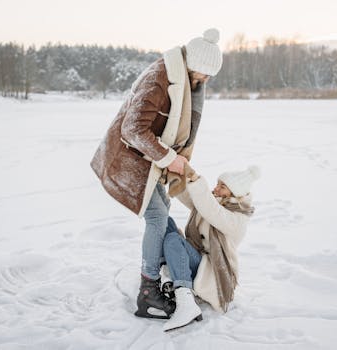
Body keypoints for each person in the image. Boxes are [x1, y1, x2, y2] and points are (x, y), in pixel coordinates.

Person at [90, 28, 223, 319]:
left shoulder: (184, 80)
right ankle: (148, 291)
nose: (206, 81)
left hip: (146, 162)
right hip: (127, 159)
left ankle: (169, 275)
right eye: (204, 74)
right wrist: (169, 158)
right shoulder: (159, 79)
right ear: (193, 64)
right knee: (157, 216)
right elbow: (132, 129)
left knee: (163, 209)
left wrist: (175, 162)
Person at [161, 165, 260, 331]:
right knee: (164, 222)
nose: (216, 188)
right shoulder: (214, 203)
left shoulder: (237, 219)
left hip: (210, 271)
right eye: (217, 184)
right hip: (196, 258)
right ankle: (165, 275)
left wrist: (196, 179)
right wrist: (175, 176)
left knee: (173, 240)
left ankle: (186, 301)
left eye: (222, 187)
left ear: (235, 194)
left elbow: (210, 210)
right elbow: (191, 197)